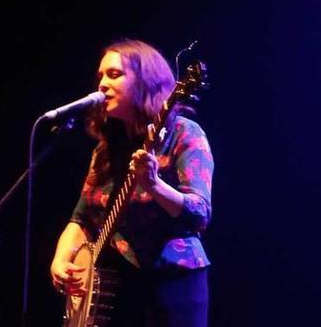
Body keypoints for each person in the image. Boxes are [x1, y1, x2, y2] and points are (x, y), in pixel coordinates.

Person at [49, 39, 214, 326]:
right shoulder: (104, 150)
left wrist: (154, 185)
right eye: (100, 76)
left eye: (114, 74)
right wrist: (61, 258)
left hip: (173, 283)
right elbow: (82, 217)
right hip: (122, 288)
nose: (101, 84)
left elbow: (200, 213)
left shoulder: (184, 134)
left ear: (144, 82)